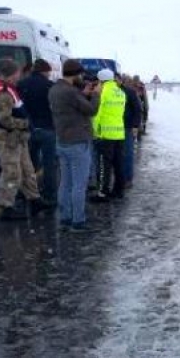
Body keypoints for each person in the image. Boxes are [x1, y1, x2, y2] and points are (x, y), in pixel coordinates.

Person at [0, 59, 50, 219]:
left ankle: (34, 199)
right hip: (9, 137)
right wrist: (25, 123)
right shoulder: (4, 93)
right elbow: (4, 119)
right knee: (11, 172)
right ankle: (6, 206)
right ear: (10, 74)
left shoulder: (9, 89)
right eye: (17, 73)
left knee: (27, 169)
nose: (19, 76)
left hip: (17, 137)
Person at [49, 59, 100, 232]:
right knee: (79, 184)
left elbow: (72, 107)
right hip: (78, 142)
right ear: (76, 74)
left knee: (66, 182)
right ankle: (78, 221)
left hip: (62, 140)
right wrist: (95, 95)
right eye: (80, 74)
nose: (82, 77)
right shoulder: (71, 92)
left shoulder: (55, 89)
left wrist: (83, 94)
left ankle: (65, 218)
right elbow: (92, 110)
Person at [17, 59, 57, 204]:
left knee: (28, 164)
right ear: (45, 71)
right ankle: (50, 195)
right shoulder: (50, 86)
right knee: (49, 164)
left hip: (28, 128)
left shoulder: (21, 85)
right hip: (48, 128)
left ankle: (30, 193)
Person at [92, 68, 127, 200]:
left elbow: (97, 114)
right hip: (119, 133)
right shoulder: (120, 92)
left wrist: (95, 131)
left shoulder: (102, 92)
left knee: (103, 165)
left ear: (101, 80)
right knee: (118, 163)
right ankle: (119, 190)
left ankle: (102, 193)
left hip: (105, 134)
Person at [119, 74, 142, 188]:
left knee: (127, 154)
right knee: (118, 155)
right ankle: (120, 178)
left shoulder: (130, 92)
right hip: (114, 128)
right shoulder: (111, 92)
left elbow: (138, 109)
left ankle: (128, 179)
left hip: (127, 127)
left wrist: (135, 126)